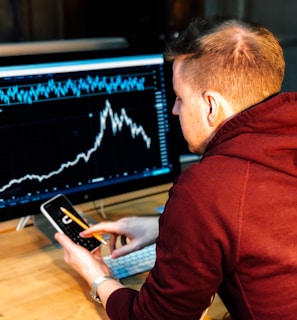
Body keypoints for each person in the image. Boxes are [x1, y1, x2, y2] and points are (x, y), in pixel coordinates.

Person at [55, 17, 297, 319]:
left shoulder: (209, 187)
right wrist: (166, 227)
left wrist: (97, 275)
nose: (174, 110)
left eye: (180, 98)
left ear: (211, 105)